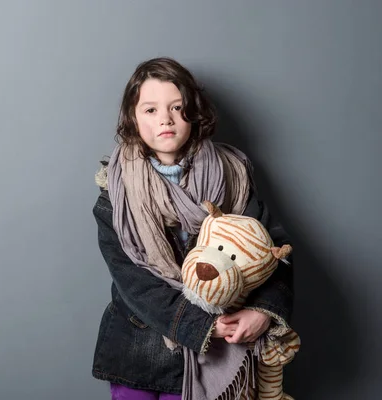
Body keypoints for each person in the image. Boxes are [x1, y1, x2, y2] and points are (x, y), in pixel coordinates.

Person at [91, 57, 294, 399]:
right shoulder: (116, 188)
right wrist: (199, 325)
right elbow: (131, 279)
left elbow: (271, 251)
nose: (165, 119)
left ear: (194, 112)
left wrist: (263, 311)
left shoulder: (232, 175)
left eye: (177, 107)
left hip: (221, 347)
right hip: (139, 345)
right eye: (150, 110)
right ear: (133, 118)